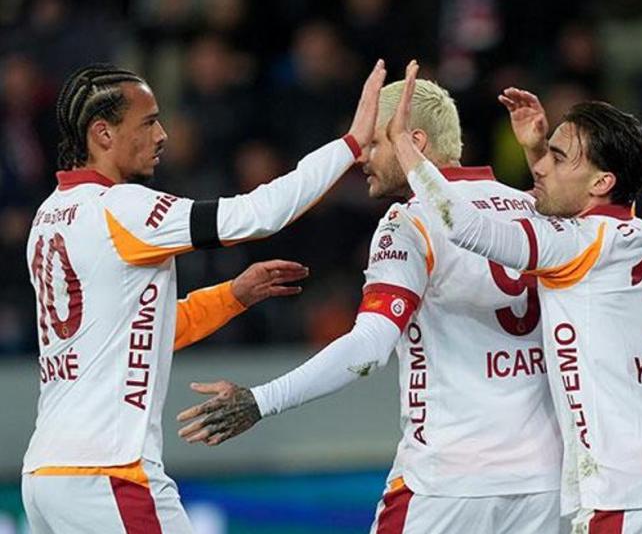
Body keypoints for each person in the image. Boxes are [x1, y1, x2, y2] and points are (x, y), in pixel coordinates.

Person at [176, 75, 565, 533]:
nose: (362, 157)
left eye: (376, 143)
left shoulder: (411, 221)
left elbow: (369, 347)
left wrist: (261, 400)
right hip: (546, 482)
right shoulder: (535, 211)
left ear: (414, 142)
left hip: (447, 481)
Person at [22, 60, 386, 533]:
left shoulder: (49, 215)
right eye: (148, 122)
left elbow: (138, 333)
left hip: (46, 475)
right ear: (102, 134)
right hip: (107, 471)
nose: (162, 136)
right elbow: (259, 213)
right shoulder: (121, 209)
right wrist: (350, 144)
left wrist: (233, 295)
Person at [389, 61, 642, 532]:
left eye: (558, 158)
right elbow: (562, 215)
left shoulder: (581, 245)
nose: (542, 167)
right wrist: (536, 149)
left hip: (629, 489)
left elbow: (462, 225)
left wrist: (404, 146)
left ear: (602, 182)